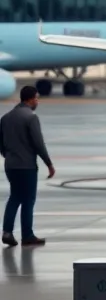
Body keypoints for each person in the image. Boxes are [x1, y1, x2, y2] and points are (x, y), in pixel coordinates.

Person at [1, 86, 53, 247]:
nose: (38, 101)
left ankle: (7, 232)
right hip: (27, 166)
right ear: (29, 99)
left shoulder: (6, 118)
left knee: (15, 197)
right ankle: (27, 235)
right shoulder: (30, 117)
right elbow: (38, 144)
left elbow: (0, 143)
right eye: (37, 98)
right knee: (28, 200)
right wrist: (48, 163)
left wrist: (8, 155)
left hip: (11, 165)